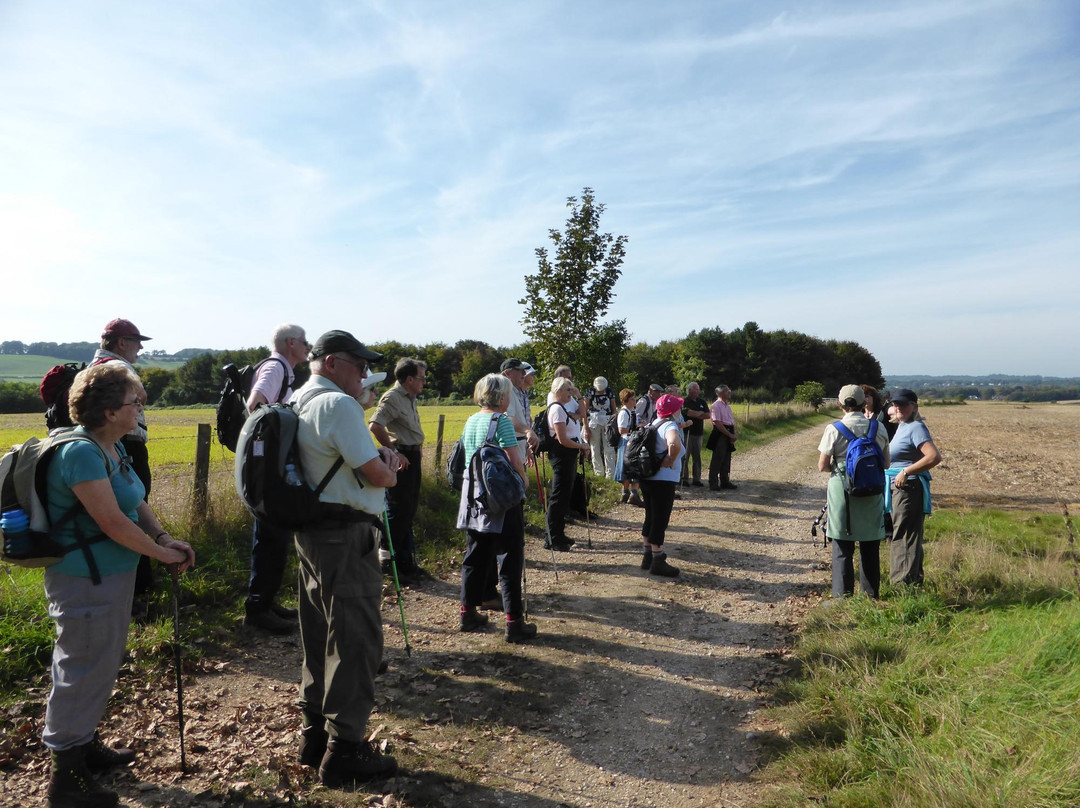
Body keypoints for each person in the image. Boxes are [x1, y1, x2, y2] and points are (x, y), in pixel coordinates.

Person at [42, 362, 195, 808]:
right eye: (134, 402)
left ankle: (82, 744)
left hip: (109, 574)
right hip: (84, 578)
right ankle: (66, 781)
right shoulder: (81, 454)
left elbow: (135, 500)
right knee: (82, 665)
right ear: (109, 411)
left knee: (98, 660)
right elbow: (111, 522)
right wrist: (163, 554)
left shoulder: (111, 448)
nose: (140, 408)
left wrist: (164, 537)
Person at [291, 330, 402, 787]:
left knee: (319, 634)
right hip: (345, 535)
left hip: (311, 534)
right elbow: (375, 473)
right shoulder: (337, 405)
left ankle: (314, 735)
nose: (364, 376)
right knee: (356, 641)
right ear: (333, 363)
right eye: (359, 366)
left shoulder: (297, 400)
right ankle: (345, 750)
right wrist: (390, 468)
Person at [456, 374, 536, 642]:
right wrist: (524, 483)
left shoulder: (470, 421)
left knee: (475, 555)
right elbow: (515, 461)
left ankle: (467, 614)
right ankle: (514, 623)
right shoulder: (500, 421)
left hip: (473, 497)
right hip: (500, 498)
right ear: (502, 397)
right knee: (510, 557)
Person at [243, 323, 310, 634]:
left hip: (269, 465)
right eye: (305, 342)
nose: (309, 348)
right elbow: (255, 406)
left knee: (273, 536)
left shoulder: (282, 369)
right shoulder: (275, 368)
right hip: (268, 467)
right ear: (290, 342)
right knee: (270, 536)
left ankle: (265, 602)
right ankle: (258, 609)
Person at [93, 318, 156, 595]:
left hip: (105, 445)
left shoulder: (92, 366)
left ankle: (124, 583)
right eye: (136, 342)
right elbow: (141, 394)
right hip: (127, 446)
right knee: (135, 509)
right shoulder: (118, 366)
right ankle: (140, 586)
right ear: (121, 343)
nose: (139, 349)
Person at [817, 384, 891, 599]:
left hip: (843, 490)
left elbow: (822, 466)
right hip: (872, 488)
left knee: (842, 545)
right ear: (863, 403)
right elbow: (886, 464)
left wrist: (841, 468)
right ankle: (871, 595)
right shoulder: (878, 428)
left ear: (840, 404)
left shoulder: (834, 429)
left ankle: (842, 596)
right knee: (870, 545)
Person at [369, 358, 428, 582]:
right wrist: (393, 452)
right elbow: (375, 425)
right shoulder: (393, 397)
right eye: (421, 378)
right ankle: (389, 563)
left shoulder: (411, 398)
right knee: (397, 510)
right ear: (409, 379)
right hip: (401, 458)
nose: (424, 382)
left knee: (409, 509)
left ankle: (407, 563)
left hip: (412, 455)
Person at [887, 389, 941, 586]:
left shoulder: (916, 427)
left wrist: (906, 472)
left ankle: (903, 585)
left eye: (903, 404)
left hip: (908, 488)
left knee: (905, 535)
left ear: (915, 407)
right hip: (901, 487)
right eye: (896, 404)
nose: (899, 407)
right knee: (905, 534)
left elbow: (934, 456)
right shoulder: (904, 425)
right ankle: (911, 582)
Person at [638, 394, 686, 577]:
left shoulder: (653, 424)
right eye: (678, 408)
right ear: (673, 411)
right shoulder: (670, 425)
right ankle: (658, 559)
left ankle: (647, 556)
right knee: (660, 518)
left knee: (650, 516)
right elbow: (673, 443)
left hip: (647, 478)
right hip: (663, 480)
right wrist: (671, 459)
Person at [545, 377, 588, 551]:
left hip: (568, 455)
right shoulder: (557, 410)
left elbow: (582, 413)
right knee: (558, 496)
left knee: (564, 497)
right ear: (558, 391)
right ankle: (552, 538)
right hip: (561, 455)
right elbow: (562, 439)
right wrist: (581, 445)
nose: (570, 393)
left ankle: (559, 534)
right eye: (567, 390)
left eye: (571, 390)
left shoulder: (563, 408)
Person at [501, 358, 539, 463]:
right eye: (519, 370)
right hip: (512, 455)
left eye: (524, 371)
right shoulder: (507, 392)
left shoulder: (516, 392)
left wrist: (526, 448)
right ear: (507, 373)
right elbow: (508, 419)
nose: (524, 373)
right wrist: (528, 431)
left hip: (518, 451)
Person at [613, 388, 643, 506]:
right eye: (631, 399)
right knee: (628, 466)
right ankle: (628, 493)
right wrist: (636, 429)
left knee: (628, 467)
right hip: (626, 442)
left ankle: (630, 493)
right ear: (625, 401)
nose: (634, 400)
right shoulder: (624, 413)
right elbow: (622, 430)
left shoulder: (631, 411)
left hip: (630, 441)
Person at [584, 376, 616, 479]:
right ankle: (599, 473)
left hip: (607, 422)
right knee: (595, 447)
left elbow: (614, 409)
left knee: (609, 448)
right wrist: (585, 426)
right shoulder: (590, 393)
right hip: (594, 423)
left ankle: (610, 474)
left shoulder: (609, 392)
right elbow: (584, 411)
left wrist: (613, 423)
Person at [708, 385, 738, 491]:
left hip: (728, 431)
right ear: (720, 393)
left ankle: (725, 481)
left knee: (727, 457)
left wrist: (733, 434)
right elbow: (717, 423)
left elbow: (730, 421)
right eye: (726, 391)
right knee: (718, 458)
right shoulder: (716, 406)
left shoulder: (727, 406)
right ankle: (713, 482)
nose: (729, 392)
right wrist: (729, 434)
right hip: (720, 433)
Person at [680, 382, 710, 487]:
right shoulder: (684, 401)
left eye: (698, 389)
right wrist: (699, 413)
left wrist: (696, 414)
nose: (698, 391)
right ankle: (684, 478)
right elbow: (688, 413)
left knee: (697, 456)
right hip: (687, 432)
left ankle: (697, 479)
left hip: (699, 433)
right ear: (690, 390)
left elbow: (708, 415)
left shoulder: (702, 401)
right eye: (695, 389)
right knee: (685, 456)